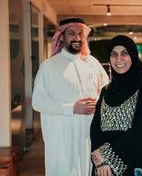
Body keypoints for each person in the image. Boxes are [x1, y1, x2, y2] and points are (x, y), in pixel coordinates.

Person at [32, 17, 109, 176]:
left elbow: (106, 89)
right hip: (61, 141)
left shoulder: (92, 63)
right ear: (61, 36)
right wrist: (72, 108)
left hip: (88, 137)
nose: (77, 38)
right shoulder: (48, 66)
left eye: (81, 33)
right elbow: (38, 101)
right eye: (72, 33)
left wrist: (99, 101)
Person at [90, 35, 142, 176]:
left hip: (135, 163)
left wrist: (106, 155)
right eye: (113, 54)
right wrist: (99, 158)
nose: (119, 59)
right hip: (104, 168)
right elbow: (95, 126)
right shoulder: (106, 91)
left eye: (124, 53)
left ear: (133, 56)